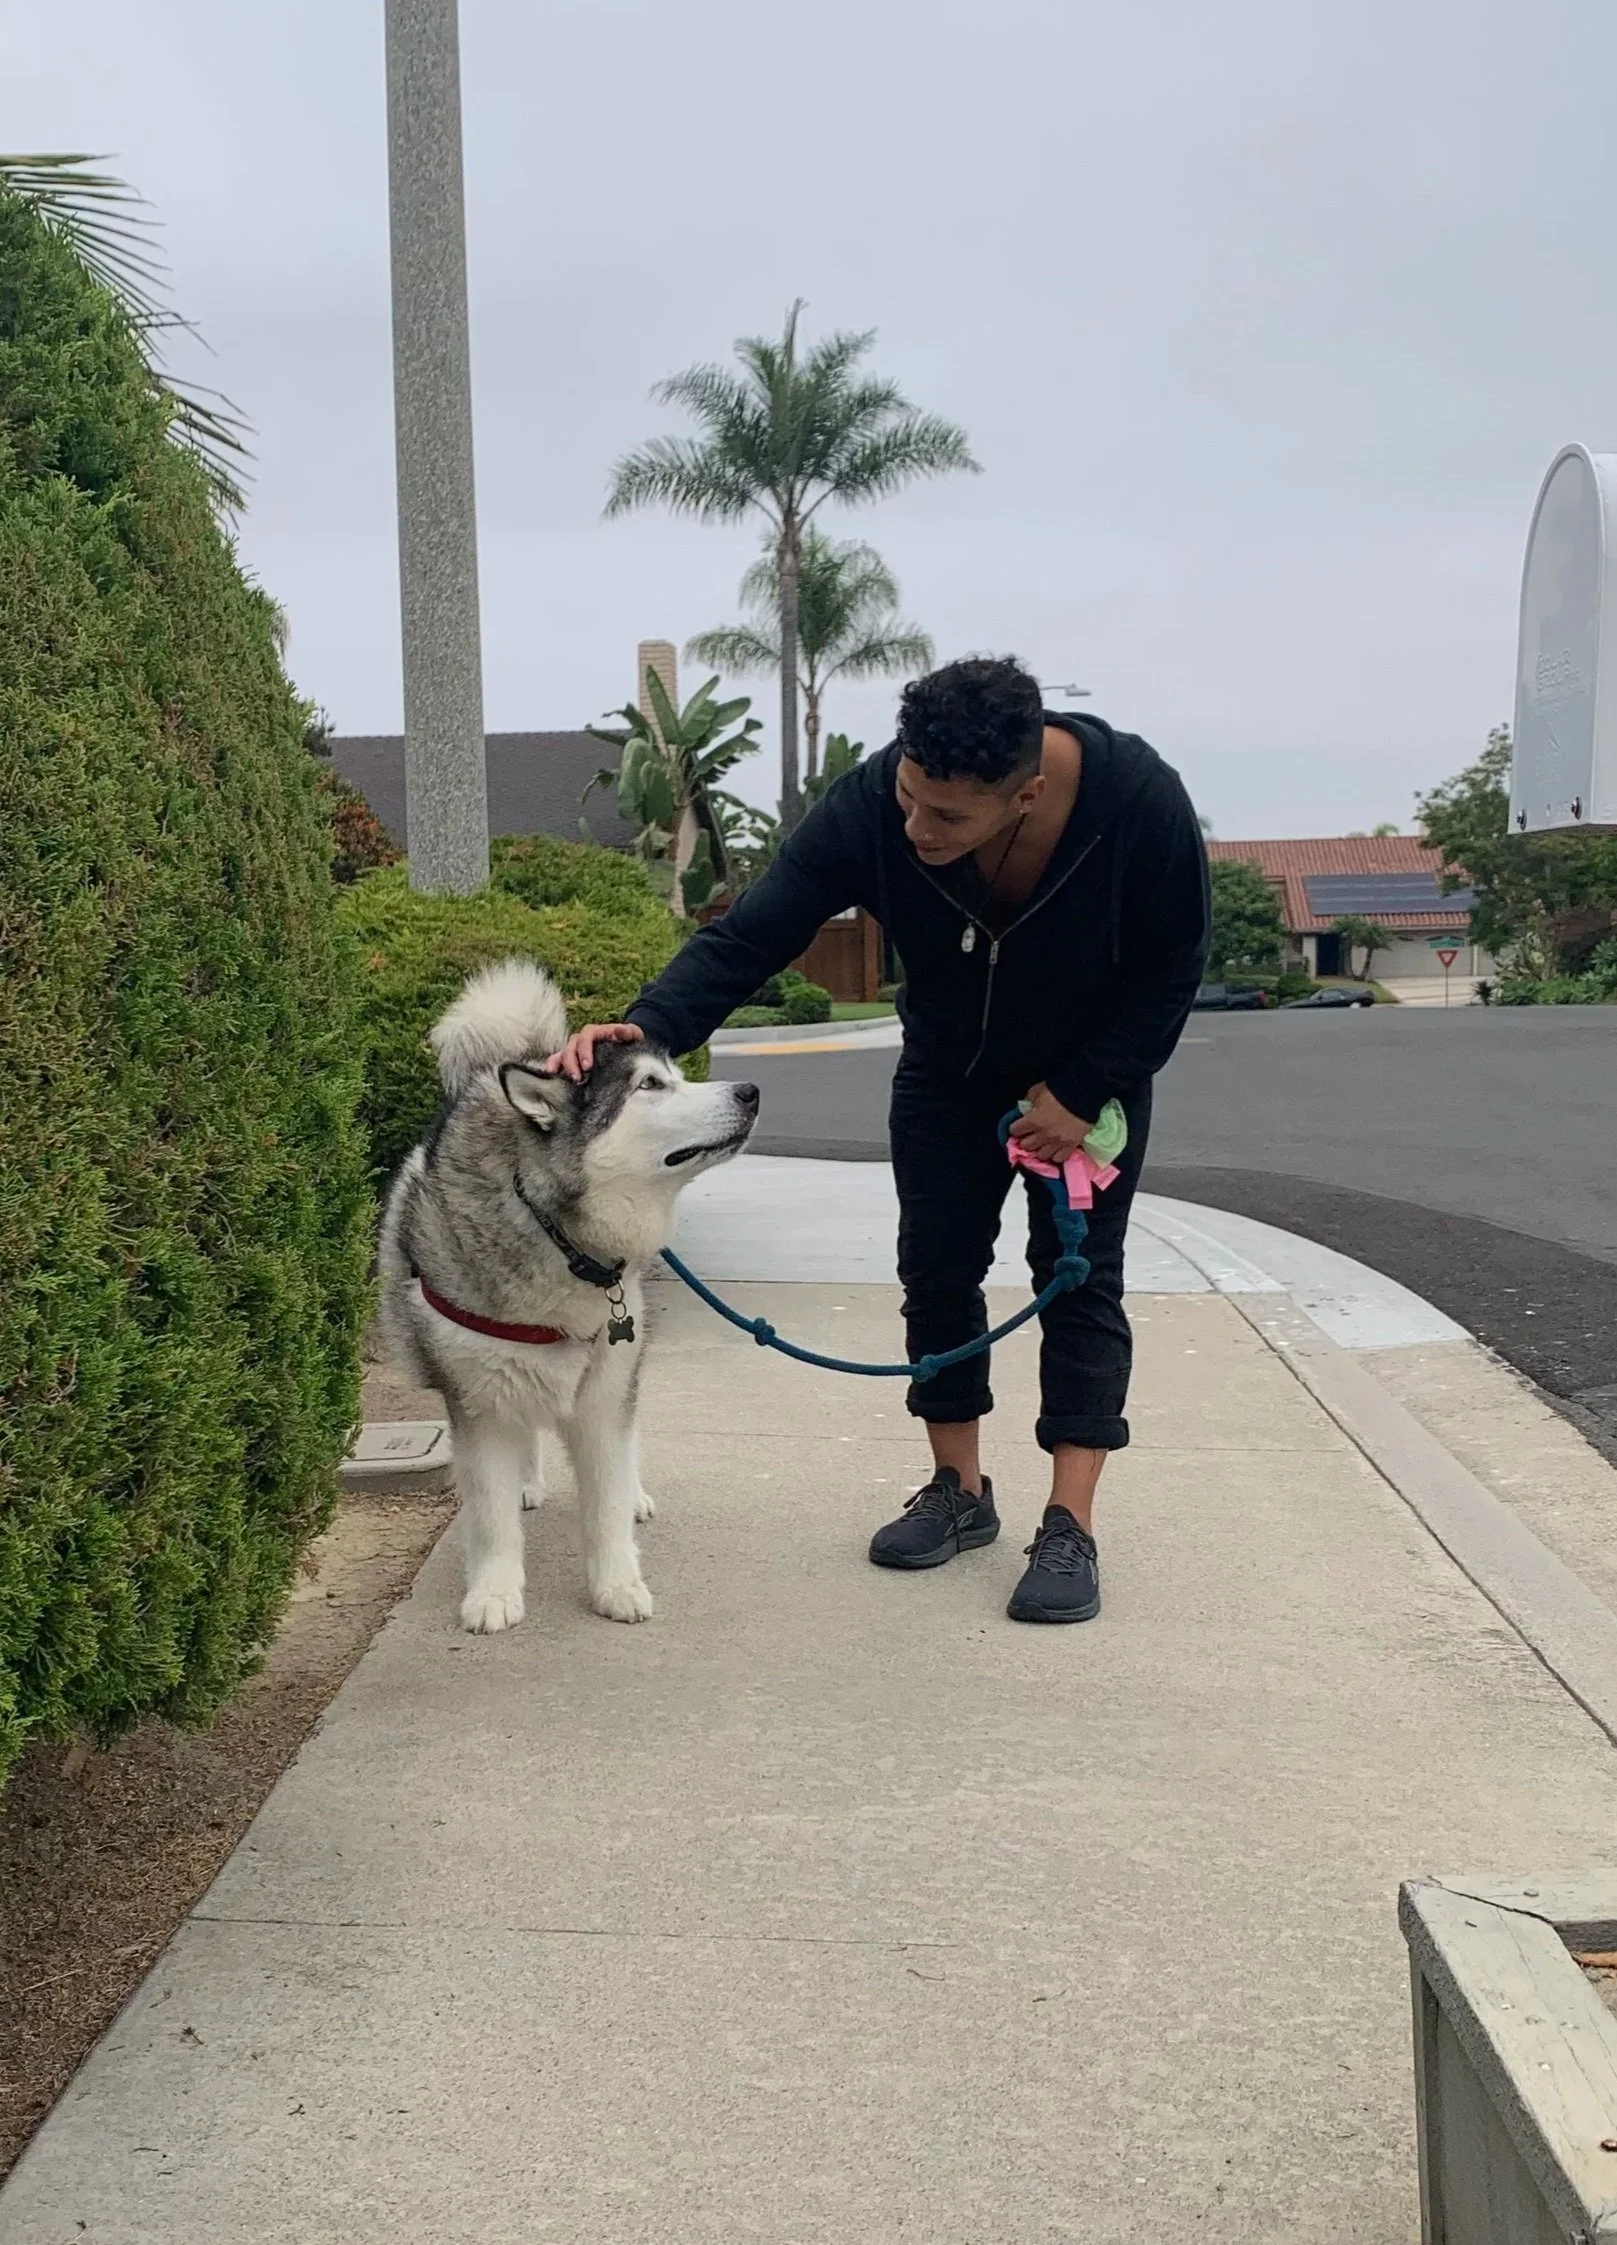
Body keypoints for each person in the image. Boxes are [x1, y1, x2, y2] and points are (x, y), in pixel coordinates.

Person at [547, 655, 1209, 1625]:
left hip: (1085, 1086)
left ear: (1024, 792)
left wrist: (1077, 1090)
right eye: (909, 798)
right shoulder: (873, 804)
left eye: (946, 817)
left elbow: (1174, 966)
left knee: (1079, 1279)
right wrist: (643, 1032)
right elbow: (751, 936)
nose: (915, 829)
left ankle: (1070, 1521)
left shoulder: (1137, 804)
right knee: (937, 1271)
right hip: (945, 1073)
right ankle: (958, 1491)